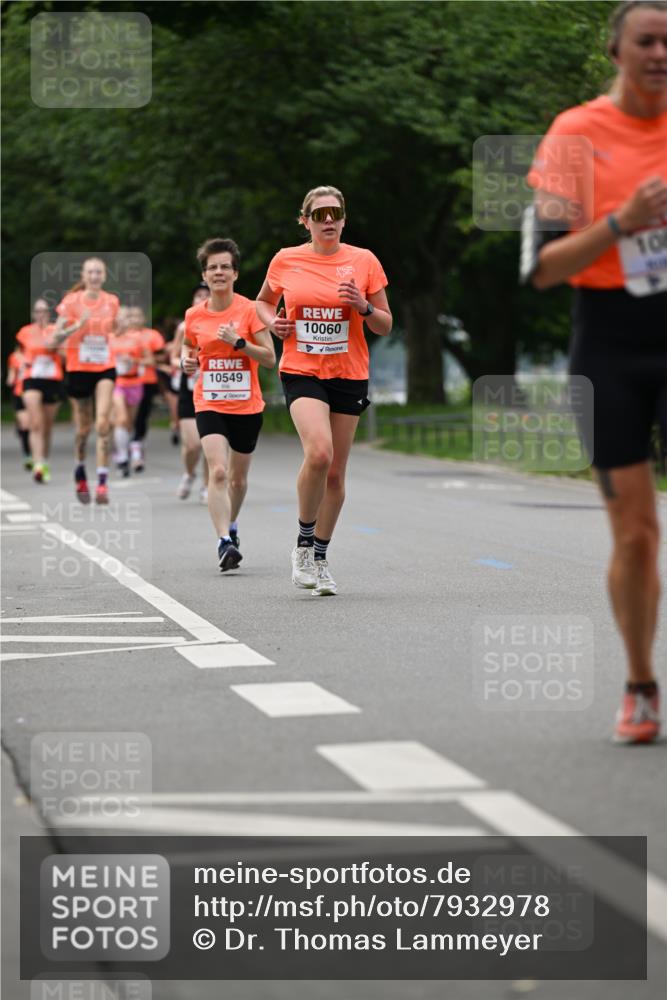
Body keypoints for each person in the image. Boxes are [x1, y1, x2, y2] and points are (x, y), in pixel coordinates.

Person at [527, 0, 667, 743]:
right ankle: (640, 682)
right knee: (637, 534)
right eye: (646, 41)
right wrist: (621, 222)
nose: (659, 53)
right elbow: (542, 269)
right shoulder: (575, 133)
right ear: (615, 51)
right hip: (609, 345)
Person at [256, 185, 392, 595]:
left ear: (344, 219)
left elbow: (385, 323)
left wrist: (363, 307)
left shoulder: (363, 261)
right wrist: (273, 324)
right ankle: (301, 545)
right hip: (302, 369)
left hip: (348, 372)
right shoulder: (286, 259)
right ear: (306, 222)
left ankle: (320, 556)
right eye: (320, 214)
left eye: (335, 213)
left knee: (335, 475)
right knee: (319, 452)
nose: (328, 220)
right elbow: (261, 302)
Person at [182, 238, 275, 571]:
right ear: (204, 276)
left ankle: (232, 525)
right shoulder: (194, 315)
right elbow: (188, 348)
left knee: (237, 480)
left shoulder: (249, 310)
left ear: (235, 273)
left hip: (247, 406)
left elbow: (269, 358)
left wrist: (239, 343)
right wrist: (186, 362)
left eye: (224, 267)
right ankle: (224, 542)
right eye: (212, 268)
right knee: (218, 471)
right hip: (208, 401)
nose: (218, 272)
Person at [50, 257, 120, 504]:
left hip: (105, 367)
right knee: (83, 429)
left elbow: (115, 330)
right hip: (79, 369)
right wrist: (75, 327)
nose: (94, 276)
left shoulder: (112, 301)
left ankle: (102, 483)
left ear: (104, 275)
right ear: (83, 275)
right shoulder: (70, 302)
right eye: (90, 272)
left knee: (103, 424)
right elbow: (53, 340)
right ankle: (80, 471)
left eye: (98, 271)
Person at [17, 299, 65, 482]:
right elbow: (21, 352)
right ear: (33, 314)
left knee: (47, 425)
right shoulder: (25, 332)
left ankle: (44, 460)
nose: (41, 315)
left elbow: (65, 357)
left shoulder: (56, 331)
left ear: (49, 314)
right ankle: (37, 464)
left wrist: (53, 347)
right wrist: (24, 361)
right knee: (35, 423)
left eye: (44, 311)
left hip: (52, 379)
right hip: (32, 379)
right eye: (38, 311)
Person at [174, 284, 210, 501]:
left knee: (209, 442)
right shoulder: (184, 326)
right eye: (199, 295)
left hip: (212, 388)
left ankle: (207, 486)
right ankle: (189, 473)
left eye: (206, 295)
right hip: (188, 389)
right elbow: (174, 354)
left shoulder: (221, 322)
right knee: (193, 445)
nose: (203, 298)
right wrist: (183, 362)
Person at [111, 307, 152, 477]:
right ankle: (122, 456)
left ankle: (127, 451)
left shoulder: (137, 339)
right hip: (116, 383)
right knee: (121, 419)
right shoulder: (109, 339)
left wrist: (133, 359)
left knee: (129, 422)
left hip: (134, 382)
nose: (124, 320)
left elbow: (150, 360)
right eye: (121, 317)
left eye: (127, 317)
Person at [129, 307, 166, 472]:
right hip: (126, 382)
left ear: (143, 318)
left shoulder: (152, 335)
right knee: (127, 417)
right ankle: (130, 445)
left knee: (142, 415)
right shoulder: (122, 336)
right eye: (132, 316)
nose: (135, 319)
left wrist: (146, 358)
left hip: (147, 381)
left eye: (138, 316)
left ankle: (138, 442)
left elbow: (162, 356)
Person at [5, 345, 31, 470]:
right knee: (25, 426)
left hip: (33, 392)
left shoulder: (36, 355)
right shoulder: (14, 357)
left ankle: (37, 454)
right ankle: (27, 455)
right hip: (19, 393)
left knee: (34, 425)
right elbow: (11, 376)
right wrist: (10, 379)